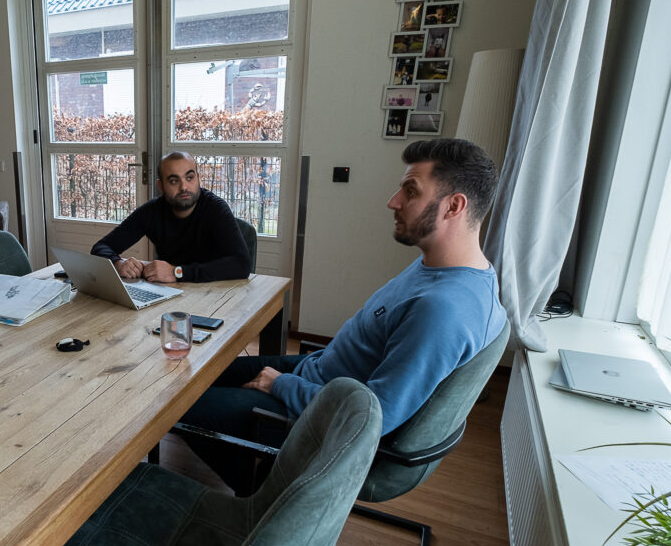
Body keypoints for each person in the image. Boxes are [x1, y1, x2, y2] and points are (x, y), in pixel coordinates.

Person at [181, 138, 507, 492]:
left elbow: (371, 419)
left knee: (177, 407)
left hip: (312, 417)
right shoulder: (447, 269)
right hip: (319, 374)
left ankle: (267, 497)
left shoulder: (442, 310)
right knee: (196, 374)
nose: (393, 201)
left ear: (454, 206)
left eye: (411, 191)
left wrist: (281, 384)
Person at [91, 151, 251, 283]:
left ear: (198, 178)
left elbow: (241, 264)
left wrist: (177, 272)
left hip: (216, 292)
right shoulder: (152, 211)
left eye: (190, 178)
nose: (184, 187)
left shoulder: (215, 208)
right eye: (174, 181)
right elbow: (101, 247)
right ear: (161, 186)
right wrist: (117, 263)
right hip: (169, 292)